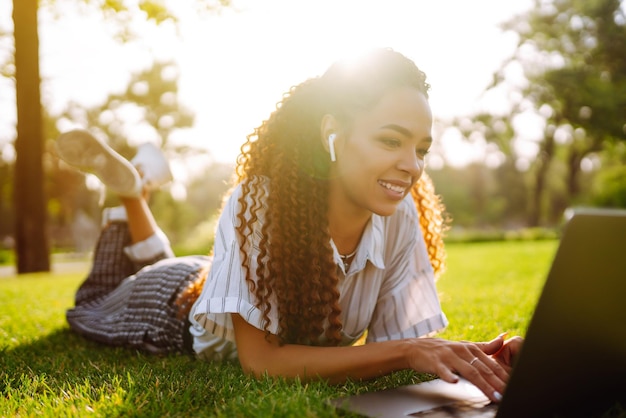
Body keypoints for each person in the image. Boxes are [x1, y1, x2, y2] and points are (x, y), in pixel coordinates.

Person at [59, 48, 522, 403]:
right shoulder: (261, 202)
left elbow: (399, 347)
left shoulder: (400, 216)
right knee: (95, 299)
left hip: (207, 275)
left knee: (163, 262)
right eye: (390, 140)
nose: (411, 166)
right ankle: (124, 197)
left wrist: (481, 354)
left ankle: (134, 189)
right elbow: (261, 363)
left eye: (421, 148)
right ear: (331, 134)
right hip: (169, 309)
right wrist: (409, 353)